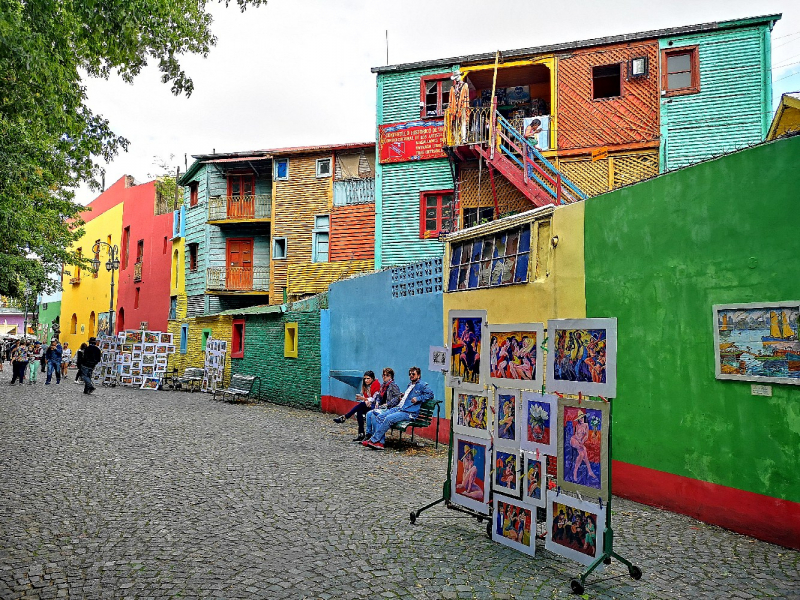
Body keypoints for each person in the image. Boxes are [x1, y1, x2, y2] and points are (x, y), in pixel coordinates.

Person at [362, 366, 433, 450]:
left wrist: (418, 398)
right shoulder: (410, 385)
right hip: (400, 408)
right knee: (380, 417)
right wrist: (403, 397)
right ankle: (380, 443)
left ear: (419, 375)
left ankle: (374, 440)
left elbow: (430, 394)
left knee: (388, 418)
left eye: (413, 374)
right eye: (410, 374)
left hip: (409, 412)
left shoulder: (422, 385)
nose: (411, 375)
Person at [332, 370, 382, 441]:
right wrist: (365, 400)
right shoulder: (366, 386)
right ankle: (361, 434)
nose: (366, 380)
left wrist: (364, 399)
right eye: (365, 378)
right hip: (368, 405)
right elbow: (367, 399)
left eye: (368, 378)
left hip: (376, 406)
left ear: (372, 378)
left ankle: (346, 416)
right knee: (359, 411)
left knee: (362, 404)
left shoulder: (376, 385)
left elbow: (375, 399)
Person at [363, 368, 403, 441]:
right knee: (369, 413)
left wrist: (387, 404)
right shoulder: (383, 386)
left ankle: (376, 436)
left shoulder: (393, 385)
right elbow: (378, 396)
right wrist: (377, 402)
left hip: (390, 408)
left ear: (391, 377)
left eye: (387, 375)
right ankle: (368, 434)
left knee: (374, 415)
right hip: (382, 407)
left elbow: (397, 398)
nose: (384, 377)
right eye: (383, 375)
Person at [570, 410, 597, 481]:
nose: (581, 419)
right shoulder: (577, 425)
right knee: (583, 452)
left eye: (582, 418)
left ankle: (576, 472)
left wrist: (582, 441)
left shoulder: (586, 425)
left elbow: (586, 436)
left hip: (580, 441)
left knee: (583, 454)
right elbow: (575, 435)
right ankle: (587, 471)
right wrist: (579, 441)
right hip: (574, 440)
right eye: (580, 418)